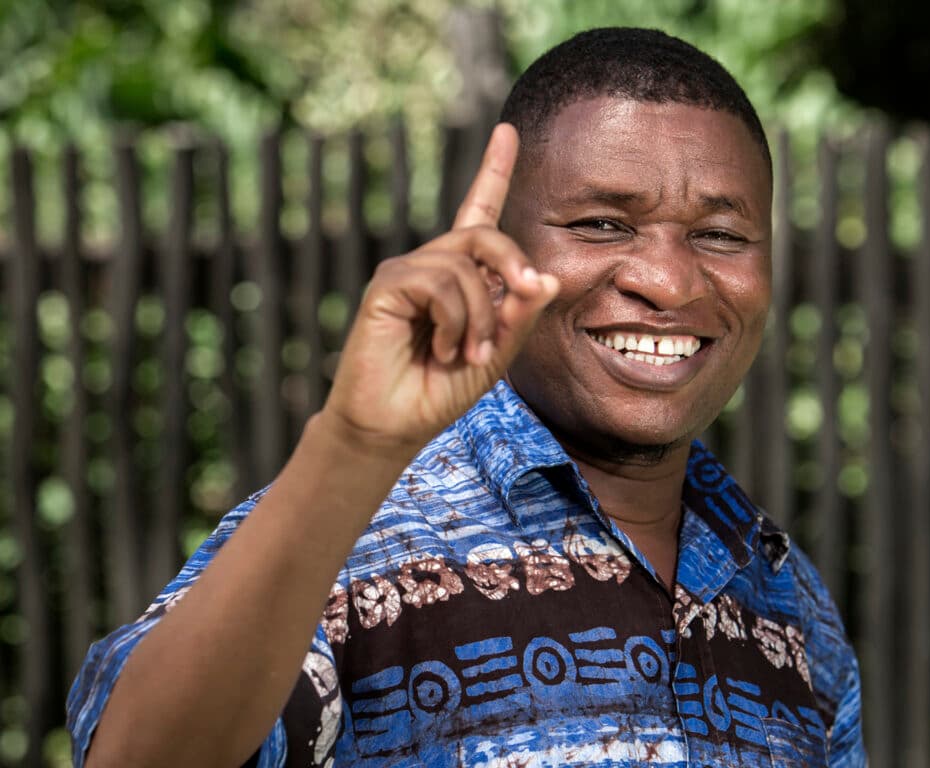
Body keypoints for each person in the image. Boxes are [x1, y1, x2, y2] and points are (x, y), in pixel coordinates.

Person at [68, 27, 865, 768]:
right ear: (499, 253)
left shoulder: (790, 605)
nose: (667, 280)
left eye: (721, 236)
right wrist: (354, 442)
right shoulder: (351, 542)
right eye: (599, 224)